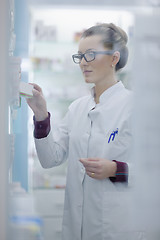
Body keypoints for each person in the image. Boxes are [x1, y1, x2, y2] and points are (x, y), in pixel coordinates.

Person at [27, 23, 135, 240]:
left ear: (114, 58)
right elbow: (50, 159)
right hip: (78, 228)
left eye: (91, 54)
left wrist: (117, 169)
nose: (83, 63)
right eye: (80, 56)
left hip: (118, 227)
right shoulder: (77, 107)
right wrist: (41, 114)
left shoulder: (136, 106)